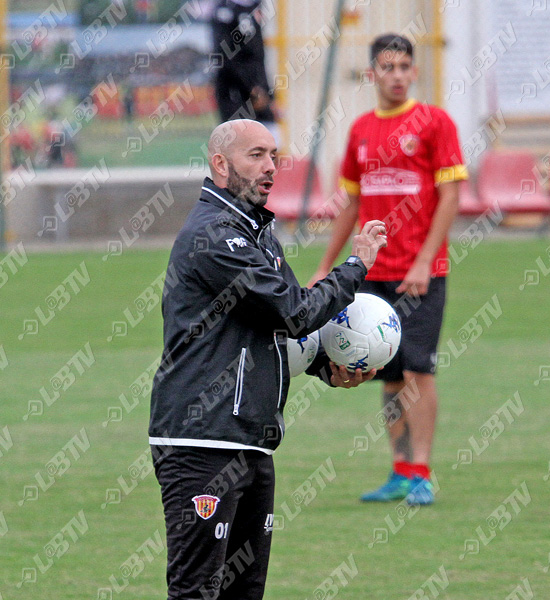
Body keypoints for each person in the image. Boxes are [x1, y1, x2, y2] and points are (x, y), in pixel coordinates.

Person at [149, 119, 387, 599]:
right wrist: (356, 267)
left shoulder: (257, 232)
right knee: (196, 590)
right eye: (255, 155)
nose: (270, 167)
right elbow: (296, 311)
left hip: (251, 438)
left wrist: (326, 367)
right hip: (202, 440)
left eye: (274, 155)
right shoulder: (215, 235)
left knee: (245, 590)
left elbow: (276, 326)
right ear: (220, 164)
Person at [309, 34, 467, 506]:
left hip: (419, 272)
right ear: (372, 74)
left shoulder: (435, 123)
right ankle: (399, 471)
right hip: (373, 273)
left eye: (404, 66)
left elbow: (451, 197)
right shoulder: (360, 131)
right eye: (388, 67)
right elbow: (352, 203)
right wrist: (325, 265)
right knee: (389, 371)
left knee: (419, 370)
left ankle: (421, 472)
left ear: (414, 72)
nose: (397, 75)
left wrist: (424, 260)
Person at [211, 0, 277, 133]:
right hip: (234, 91)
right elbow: (225, 56)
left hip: (257, 89)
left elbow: (258, 55)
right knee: (240, 140)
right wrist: (252, 88)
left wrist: (266, 91)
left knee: (271, 135)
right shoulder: (225, 10)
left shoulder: (255, 6)